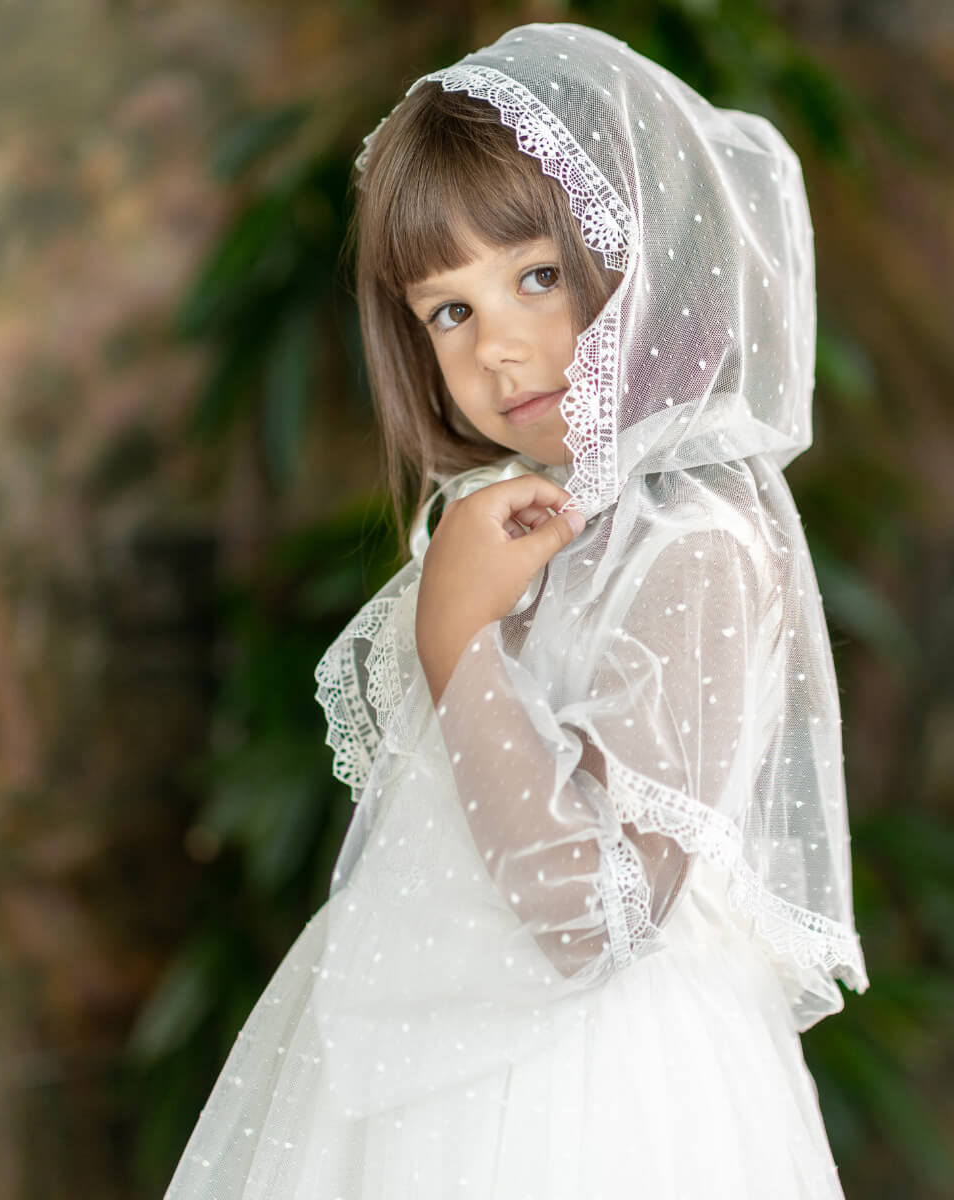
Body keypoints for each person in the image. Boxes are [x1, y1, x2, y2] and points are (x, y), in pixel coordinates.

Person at [163, 21, 869, 1199]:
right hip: (423, 1042)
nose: (497, 348)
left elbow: (589, 917)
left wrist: (458, 640)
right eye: (448, 312)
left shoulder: (697, 545)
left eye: (537, 276)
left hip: (595, 1092)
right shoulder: (515, 522)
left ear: (634, 260)